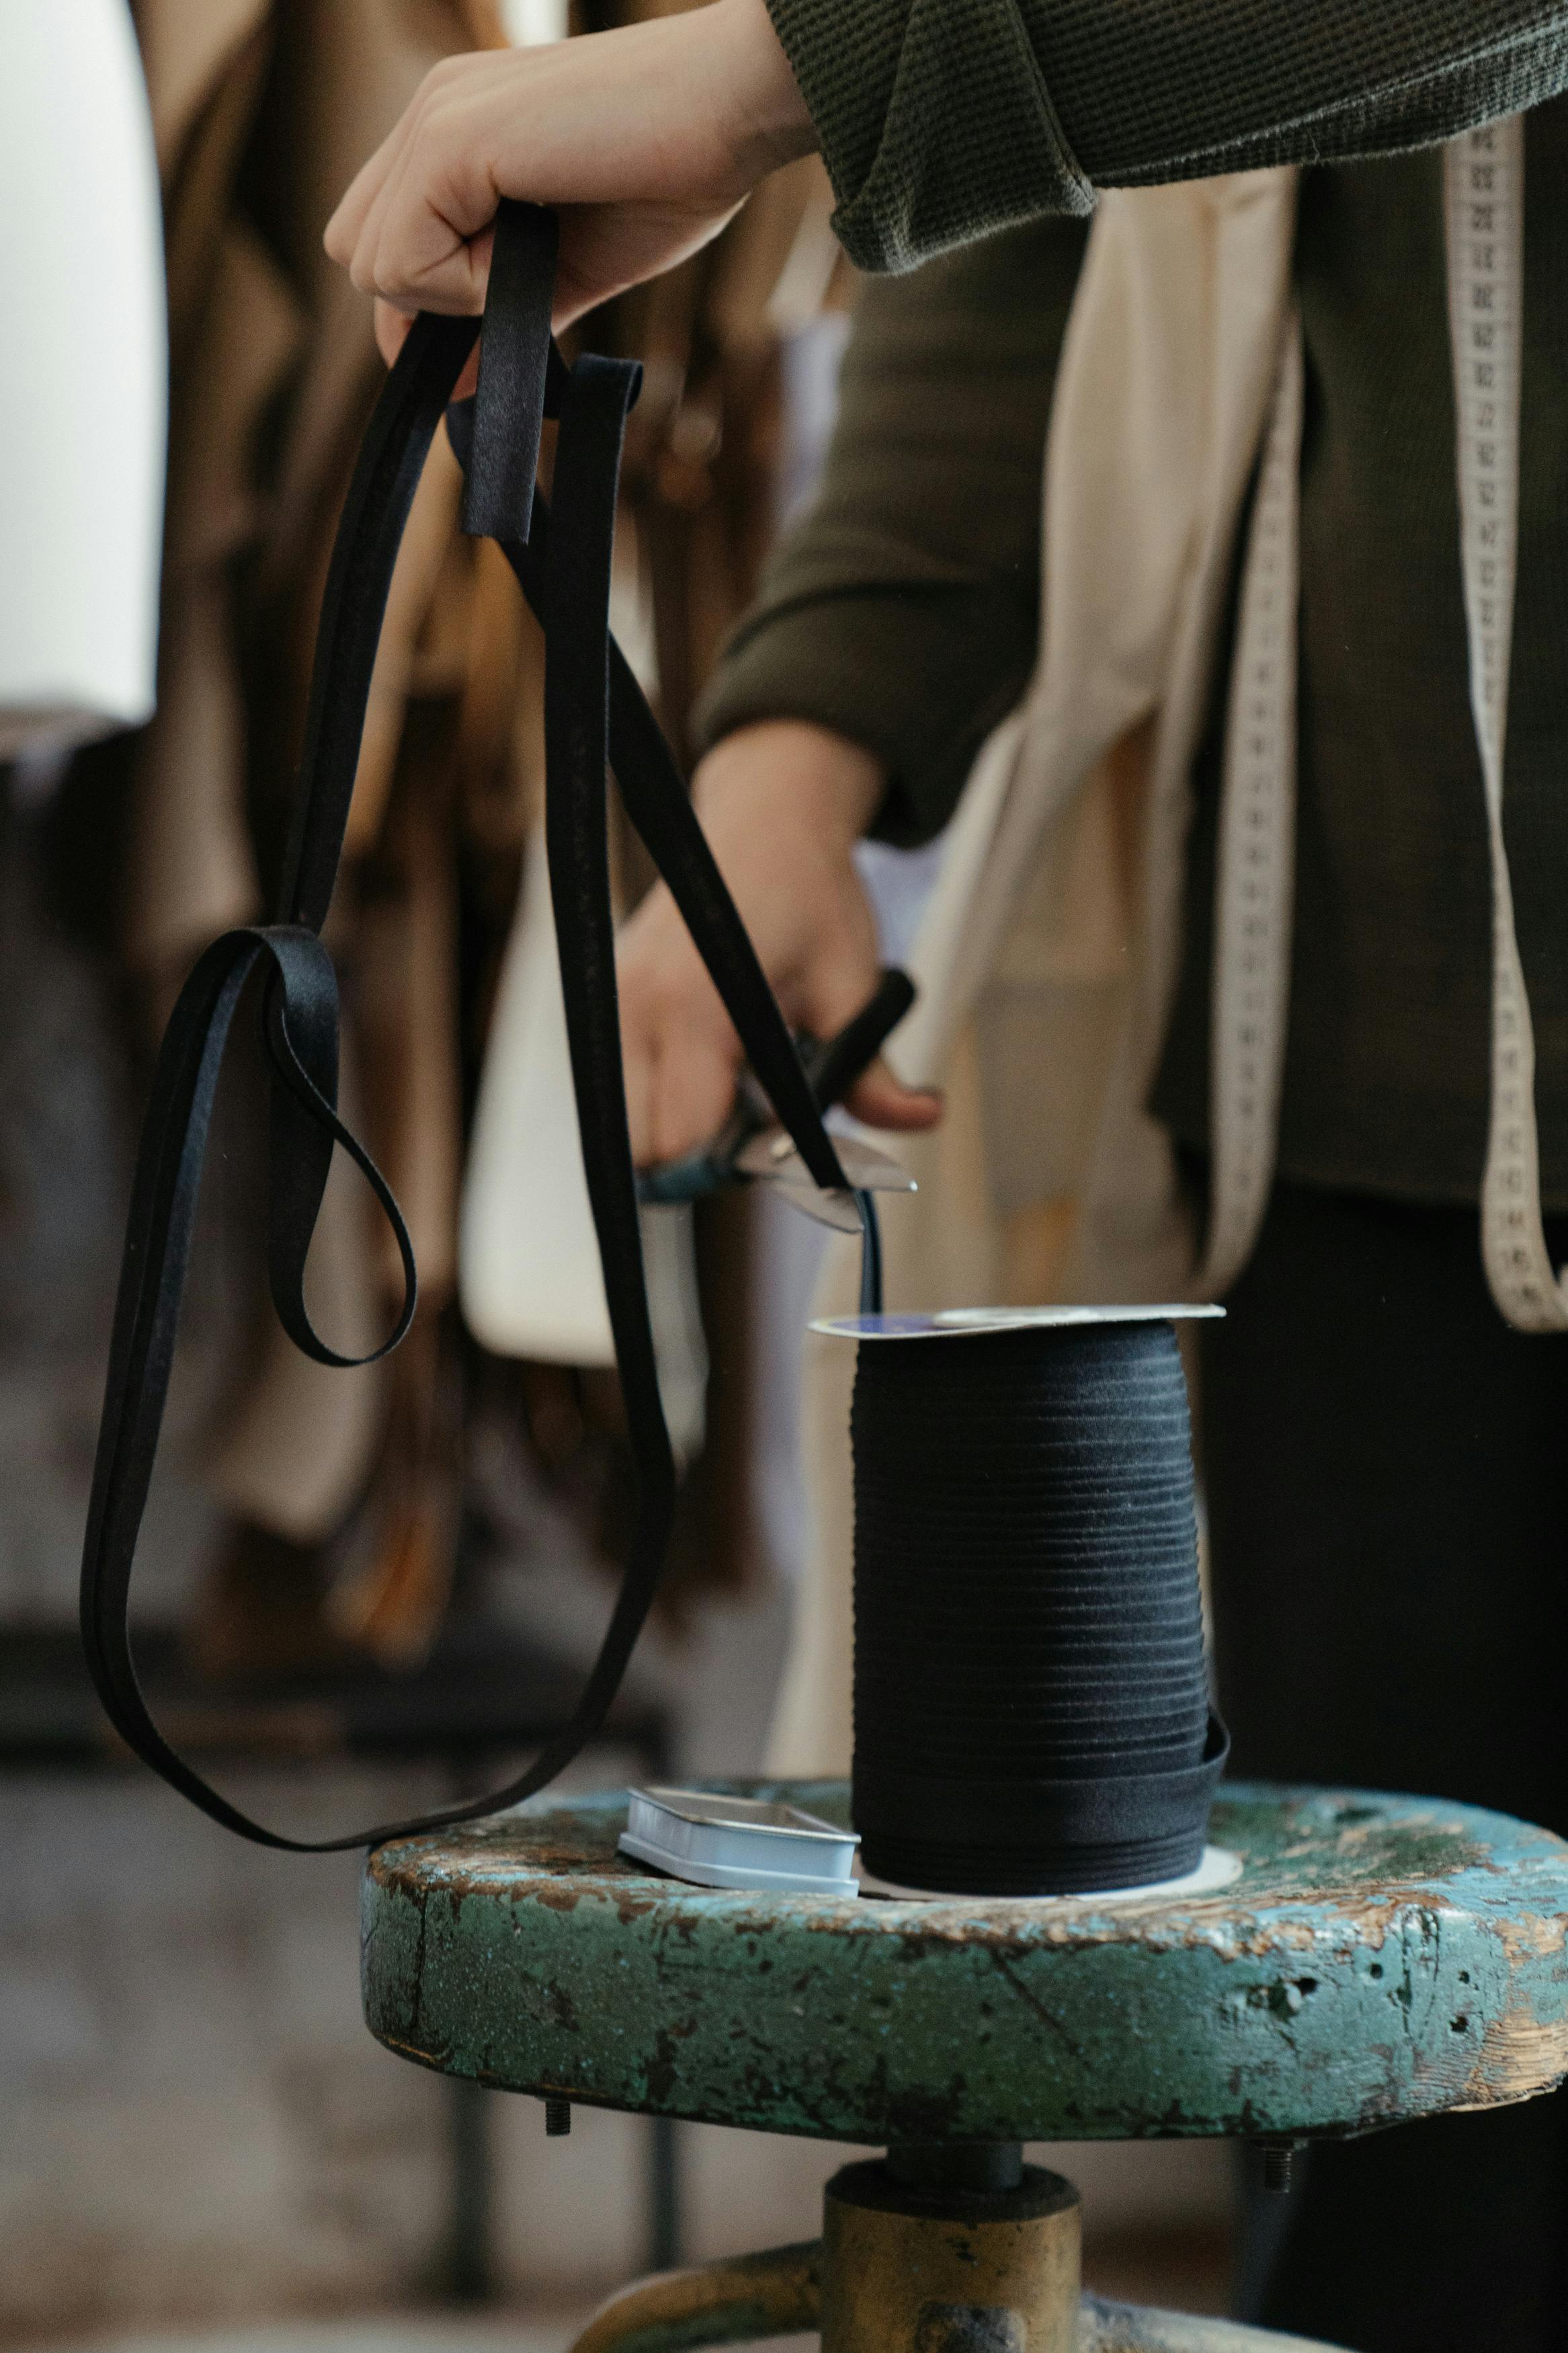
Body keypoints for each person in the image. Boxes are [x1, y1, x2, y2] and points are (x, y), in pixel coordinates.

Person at [327, 13, 1568, 2346]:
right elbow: (1057, 207)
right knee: (1425, 2228)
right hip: (1354, 1127)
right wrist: (807, 742)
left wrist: (768, 74)